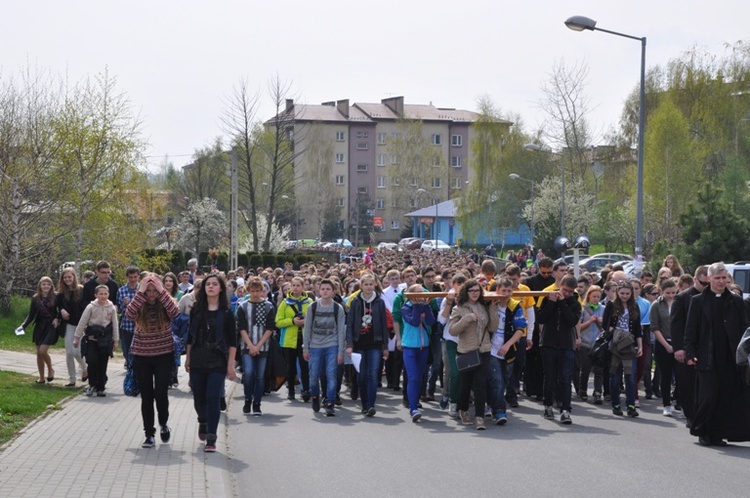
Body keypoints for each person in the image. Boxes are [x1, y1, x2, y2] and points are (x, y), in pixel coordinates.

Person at [685, 262, 750, 446]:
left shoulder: (736, 301)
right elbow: (691, 330)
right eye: (718, 278)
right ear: (709, 279)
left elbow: (745, 327)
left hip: (730, 356)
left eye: (724, 278)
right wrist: (690, 352)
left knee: (724, 395)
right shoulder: (697, 301)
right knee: (709, 395)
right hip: (707, 356)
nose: (721, 282)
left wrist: (745, 350)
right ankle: (702, 430)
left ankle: (717, 433)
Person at [126, 273, 180, 449]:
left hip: (163, 353)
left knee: (161, 393)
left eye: (153, 290)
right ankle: (149, 434)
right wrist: (140, 292)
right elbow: (129, 314)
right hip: (142, 354)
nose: (150, 294)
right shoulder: (139, 303)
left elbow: (174, 312)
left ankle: (163, 423)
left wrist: (161, 291)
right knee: (147, 396)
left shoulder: (165, 302)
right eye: (147, 290)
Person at [185, 274, 237, 452]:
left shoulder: (227, 312)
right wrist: (188, 358)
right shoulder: (196, 310)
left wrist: (231, 365)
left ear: (221, 288)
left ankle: (212, 438)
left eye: (215, 284)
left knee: (213, 398)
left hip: (218, 360)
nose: (211, 287)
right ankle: (202, 420)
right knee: (199, 398)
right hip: (198, 359)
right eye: (208, 284)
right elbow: (190, 337)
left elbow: (233, 341)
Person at [450, 279, 499, 430]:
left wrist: (492, 309)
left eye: (477, 291)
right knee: (465, 384)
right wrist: (466, 319)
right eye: (472, 291)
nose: (475, 294)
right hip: (466, 350)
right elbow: (452, 330)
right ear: (466, 292)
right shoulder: (459, 308)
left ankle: (479, 416)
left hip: (483, 349)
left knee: (480, 384)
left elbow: (493, 327)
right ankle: (463, 410)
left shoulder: (483, 307)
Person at [537, 274, 581, 425]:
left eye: (570, 291)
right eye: (565, 290)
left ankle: (565, 410)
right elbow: (541, 318)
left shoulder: (575, 303)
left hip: (566, 345)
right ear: (559, 286)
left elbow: (571, 321)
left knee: (565, 379)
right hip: (548, 343)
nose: (567, 293)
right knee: (549, 377)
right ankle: (548, 405)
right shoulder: (548, 297)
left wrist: (563, 303)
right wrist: (551, 302)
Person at [670, 265, 709, 427]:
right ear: (695, 279)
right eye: (702, 283)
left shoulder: (713, 297)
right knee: (688, 383)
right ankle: (690, 415)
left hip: (706, 347)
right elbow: (676, 325)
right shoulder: (683, 298)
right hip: (687, 347)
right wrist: (679, 348)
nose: (706, 287)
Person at [346, 273, 389, 416]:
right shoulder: (355, 302)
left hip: (375, 344)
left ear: (375, 285)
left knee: (372, 374)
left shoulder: (379, 302)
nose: (369, 287)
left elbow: (383, 325)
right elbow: (350, 324)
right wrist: (350, 344)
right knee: (362, 375)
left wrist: (385, 347)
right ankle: (364, 403)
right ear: (361, 286)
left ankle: (370, 404)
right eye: (366, 284)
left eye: (371, 284)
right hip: (359, 343)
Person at [487, 278, 527, 425]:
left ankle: (491, 404)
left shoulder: (515, 306)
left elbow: (520, 329)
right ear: (497, 290)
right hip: (490, 349)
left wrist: (508, 345)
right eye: (503, 290)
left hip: (508, 350)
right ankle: (499, 412)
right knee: (496, 380)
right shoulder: (490, 303)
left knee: (503, 380)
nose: (506, 294)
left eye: (509, 291)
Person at [305, 279, 347, 417]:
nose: (325, 291)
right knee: (314, 375)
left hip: (332, 345)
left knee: (331, 374)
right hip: (315, 346)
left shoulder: (338, 308)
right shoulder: (312, 307)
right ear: (318, 290)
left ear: (333, 291)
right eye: (323, 289)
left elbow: (341, 331)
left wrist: (341, 352)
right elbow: (307, 329)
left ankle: (330, 402)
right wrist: (306, 348)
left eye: (328, 289)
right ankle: (316, 396)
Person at [602, 281, 643, 418]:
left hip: (630, 345)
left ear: (631, 293)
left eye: (627, 293)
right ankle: (616, 404)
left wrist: (640, 346)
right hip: (615, 345)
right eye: (622, 293)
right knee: (615, 376)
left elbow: (637, 329)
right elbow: (605, 325)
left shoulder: (634, 306)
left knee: (630, 377)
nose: (624, 296)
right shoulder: (611, 305)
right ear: (617, 293)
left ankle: (631, 405)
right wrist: (617, 333)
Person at [237, 277, 275, 416]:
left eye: (258, 291)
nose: (255, 293)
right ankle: (248, 398)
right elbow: (241, 327)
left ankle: (257, 403)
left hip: (263, 346)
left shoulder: (268, 306)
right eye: (252, 291)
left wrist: (258, 345)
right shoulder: (242, 306)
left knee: (260, 376)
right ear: (248, 290)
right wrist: (250, 345)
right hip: (246, 345)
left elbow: (270, 327)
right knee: (248, 373)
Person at [73, 285, 119, 397]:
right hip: (92, 339)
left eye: (105, 294)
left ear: (108, 295)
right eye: (101, 294)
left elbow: (115, 325)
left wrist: (116, 340)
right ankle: (92, 384)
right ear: (96, 295)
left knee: (103, 363)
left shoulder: (111, 308)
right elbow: (82, 322)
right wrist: (76, 337)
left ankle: (101, 387)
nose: (103, 296)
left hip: (105, 340)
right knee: (92, 362)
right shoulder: (91, 307)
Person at [401, 284, 437, 423]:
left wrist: (426, 306)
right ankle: (413, 408)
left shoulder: (425, 305)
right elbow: (415, 322)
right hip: (409, 347)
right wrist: (416, 306)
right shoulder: (406, 308)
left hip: (424, 347)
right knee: (413, 377)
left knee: (421, 377)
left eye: (422, 292)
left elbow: (431, 321)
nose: (421, 295)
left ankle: (415, 404)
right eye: (418, 293)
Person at [276, 276, 313, 402]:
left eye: (298, 285)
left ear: (303, 287)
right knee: (290, 367)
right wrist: (292, 321)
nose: (296, 288)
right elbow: (278, 322)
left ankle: (306, 390)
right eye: (294, 285)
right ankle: (291, 390)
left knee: (304, 366)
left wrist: (305, 321)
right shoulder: (285, 303)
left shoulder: (309, 302)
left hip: (304, 339)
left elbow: (314, 320)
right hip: (288, 340)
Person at [437, 273, 467, 418]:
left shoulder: (472, 298)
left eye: (464, 283)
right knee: (452, 372)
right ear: (452, 285)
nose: (461, 286)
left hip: (469, 341)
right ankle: (451, 400)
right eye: (458, 283)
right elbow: (442, 320)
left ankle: (464, 402)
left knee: (467, 373)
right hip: (452, 339)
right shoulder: (447, 299)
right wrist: (449, 303)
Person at [19, 276, 58, 384]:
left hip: (51, 326)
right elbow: (31, 315)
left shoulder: (56, 296)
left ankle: (50, 369)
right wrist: (23, 326)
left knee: (43, 351)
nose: (46, 286)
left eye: (48, 284)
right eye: (44, 284)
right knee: (38, 353)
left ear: (51, 286)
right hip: (39, 327)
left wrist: (57, 319)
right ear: (40, 286)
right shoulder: (35, 298)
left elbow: (61, 310)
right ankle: (41, 378)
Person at [55, 268, 87, 387]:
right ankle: (72, 379)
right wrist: (62, 310)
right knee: (69, 352)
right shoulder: (60, 293)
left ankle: (84, 368)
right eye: (65, 277)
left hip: (81, 325)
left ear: (74, 277)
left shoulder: (81, 290)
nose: (67, 279)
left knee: (77, 352)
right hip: (68, 324)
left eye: (69, 277)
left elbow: (86, 307)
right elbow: (58, 306)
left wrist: (86, 324)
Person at [650, 279, 678, 416]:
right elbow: (655, 327)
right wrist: (666, 345)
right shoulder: (656, 305)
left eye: (673, 292)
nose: (671, 295)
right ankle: (666, 404)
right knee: (665, 375)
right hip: (663, 343)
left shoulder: (680, 303)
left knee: (681, 375)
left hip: (678, 343)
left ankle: (680, 402)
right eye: (668, 293)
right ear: (662, 291)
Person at [576, 285, 605, 404]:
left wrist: (602, 322)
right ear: (589, 296)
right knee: (586, 369)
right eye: (594, 296)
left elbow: (607, 326)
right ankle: (583, 390)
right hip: (586, 343)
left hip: (598, 344)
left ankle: (598, 392)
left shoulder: (603, 309)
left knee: (599, 369)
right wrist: (590, 321)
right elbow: (578, 326)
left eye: (598, 297)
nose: (596, 299)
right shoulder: (583, 309)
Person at [116, 266, 140, 365]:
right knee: (126, 350)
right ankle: (129, 363)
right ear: (127, 277)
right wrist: (123, 304)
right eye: (131, 277)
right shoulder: (121, 291)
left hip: (139, 326)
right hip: (126, 325)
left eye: (135, 277)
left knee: (137, 351)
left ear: (138, 276)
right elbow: (118, 310)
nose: (133, 279)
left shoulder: (142, 290)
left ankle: (135, 367)